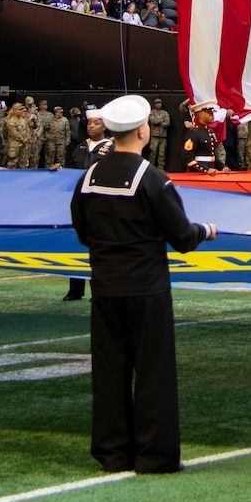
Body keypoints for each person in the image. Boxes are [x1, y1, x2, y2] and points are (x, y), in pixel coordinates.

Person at [71, 94, 217, 474]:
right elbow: (182, 236)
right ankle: (155, 455)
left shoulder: (88, 177)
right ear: (142, 131)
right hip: (147, 290)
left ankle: (112, 452)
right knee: (154, 374)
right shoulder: (152, 179)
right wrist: (206, 230)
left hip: (105, 289)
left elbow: (84, 233)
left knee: (108, 372)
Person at [64, 104, 114, 301]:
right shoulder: (79, 147)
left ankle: (98, 289)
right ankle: (75, 289)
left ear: (104, 126)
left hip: (101, 202)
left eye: (96, 123)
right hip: (79, 202)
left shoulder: (111, 148)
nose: (91, 126)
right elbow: (70, 170)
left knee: (98, 248)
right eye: (90, 123)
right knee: (75, 243)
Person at [147, 97, 170, 169]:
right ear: (154, 104)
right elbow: (153, 121)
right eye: (157, 103)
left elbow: (167, 123)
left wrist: (159, 122)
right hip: (154, 136)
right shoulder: (152, 112)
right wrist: (161, 120)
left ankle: (161, 169)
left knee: (162, 154)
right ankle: (151, 168)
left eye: (159, 103)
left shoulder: (165, 113)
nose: (158, 105)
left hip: (163, 136)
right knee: (152, 153)